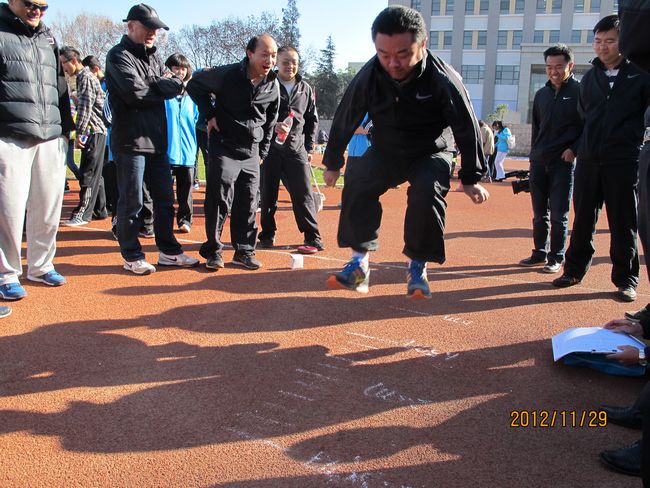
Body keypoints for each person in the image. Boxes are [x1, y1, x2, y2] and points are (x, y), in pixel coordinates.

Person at [322, 6, 489, 299]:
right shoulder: (370, 74)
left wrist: (471, 176)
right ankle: (359, 266)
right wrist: (333, 162)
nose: (392, 63)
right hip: (387, 149)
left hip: (431, 150)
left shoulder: (442, 78)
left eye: (402, 54)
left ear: (422, 45)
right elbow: (347, 114)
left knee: (426, 190)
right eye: (383, 54)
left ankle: (417, 266)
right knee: (358, 178)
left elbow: (465, 124)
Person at [552, 14, 650, 302]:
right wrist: (578, 148)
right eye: (598, 41)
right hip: (589, 160)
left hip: (624, 160)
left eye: (610, 41)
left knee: (623, 221)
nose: (603, 46)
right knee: (583, 219)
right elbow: (583, 118)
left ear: (624, 42)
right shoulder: (589, 78)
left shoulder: (640, 75)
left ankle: (626, 279)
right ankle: (573, 271)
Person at [596, 2, 650, 484]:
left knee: (626, 228)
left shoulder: (636, 71)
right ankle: (644, 409)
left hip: (627, 157)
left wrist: (647, 355)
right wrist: (646, 323)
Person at [105, 3, 199, 275]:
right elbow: (135, 94)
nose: (153, 33)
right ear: (131, 25)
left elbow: (174, 84)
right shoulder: (118, 56)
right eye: (148, 27)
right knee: (132, 202)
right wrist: (161, 86)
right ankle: (132, 255)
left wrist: (159, 85)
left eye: (156, 29)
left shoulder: (156, 57)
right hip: (130, 142)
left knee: (165, 200)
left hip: (157, 141)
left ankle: (169, 251)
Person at [0, 0, 74, 300]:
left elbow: (60, 85)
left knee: (48, 207)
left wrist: (66, 129)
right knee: (8, 210)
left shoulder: (48, 36)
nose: (37, 11)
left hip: (51, 134)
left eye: (43, 6)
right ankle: (6, 273)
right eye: (31, 4)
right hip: (10, 133)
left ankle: (41, 265)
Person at [187, 34, 280, 271]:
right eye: (264, 54)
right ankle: (214, 251)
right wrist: (209, 114)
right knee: (219, 198)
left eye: (273, 56)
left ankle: (244, 251)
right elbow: (194, 85)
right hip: (224, 145)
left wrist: (263, 151)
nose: (270, 60)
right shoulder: (226, 74)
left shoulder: (273, 84)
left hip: (252, 150)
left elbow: (271, 120)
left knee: (248, 201)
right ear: (250, 53)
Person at [518, 44, 582, 274]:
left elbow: (588, 126)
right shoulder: (541, 94)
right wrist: (533, 156)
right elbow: (537, 128)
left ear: (570, 66)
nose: (553, 71)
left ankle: (556, 257)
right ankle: (539, 252)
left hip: (562, 163)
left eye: (559, 66)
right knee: (539, 213)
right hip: (539, 161)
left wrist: (574, 149)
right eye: (549, 67)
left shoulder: (580, 92)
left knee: (559, 214)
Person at [258, 46, 323, 250]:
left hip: (296, 150)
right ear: (277, 63)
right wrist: (273, 126)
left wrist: (309, 148)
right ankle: (267, 234)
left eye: (294, 62)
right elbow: (256, 116)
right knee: (267, 195)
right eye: (285, 62)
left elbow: (312, 120)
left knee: (304, 194)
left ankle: (312, 236)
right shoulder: (266, 84)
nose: (290, 66)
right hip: (269, 150)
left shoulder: (305, 88)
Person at [59, 46, 108, 226]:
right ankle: (99, 209)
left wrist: (80, 132)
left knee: (88, 173)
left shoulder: (85, 77)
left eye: (64, 63)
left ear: (73, 60)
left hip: (93, 130)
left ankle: (83, 213)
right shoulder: (86, 77)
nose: (63, 68)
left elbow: (85, 108)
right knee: (95, 173)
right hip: (97, 131)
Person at [164, 53, 199, 234]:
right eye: (176, 68)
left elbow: (197, 119)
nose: (180, 71)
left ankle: (185, 220)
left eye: (183, 68)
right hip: (167, 151)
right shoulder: (162, 96)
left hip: (187, 151)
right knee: (164, 192)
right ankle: (163, 222)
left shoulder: (193, 96)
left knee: (186, 191)